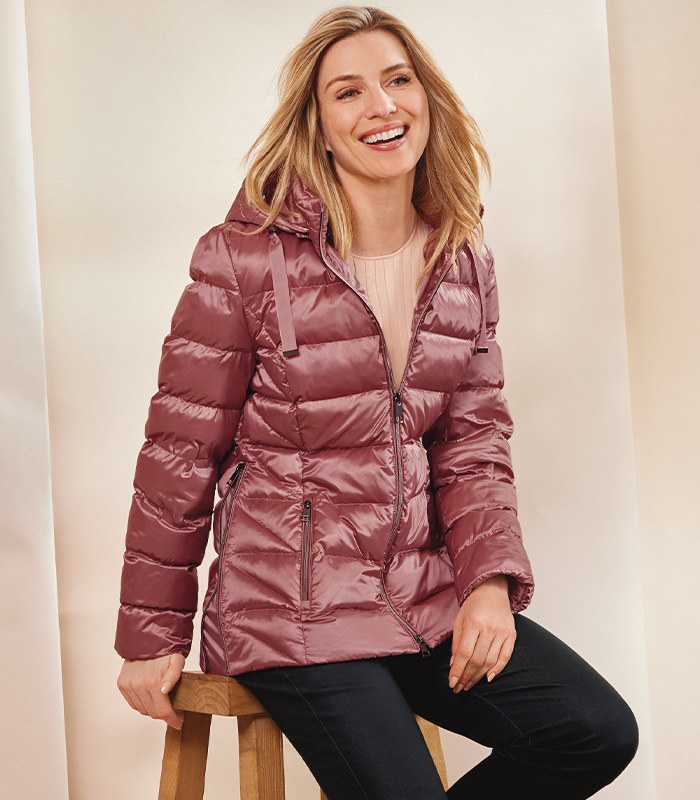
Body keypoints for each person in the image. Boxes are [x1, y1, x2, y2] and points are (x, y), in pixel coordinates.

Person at [115, 6, 639, 798]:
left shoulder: (461, 258)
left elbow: (473, 447)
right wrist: (151, 633)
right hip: (290, 609)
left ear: (427, 98)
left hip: (415, 597)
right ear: (319, 126)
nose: (382, 106)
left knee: (593, 729)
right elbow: (180, 449)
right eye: (349, 92)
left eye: (398, 81)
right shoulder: (245, 257)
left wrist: (487, 588)